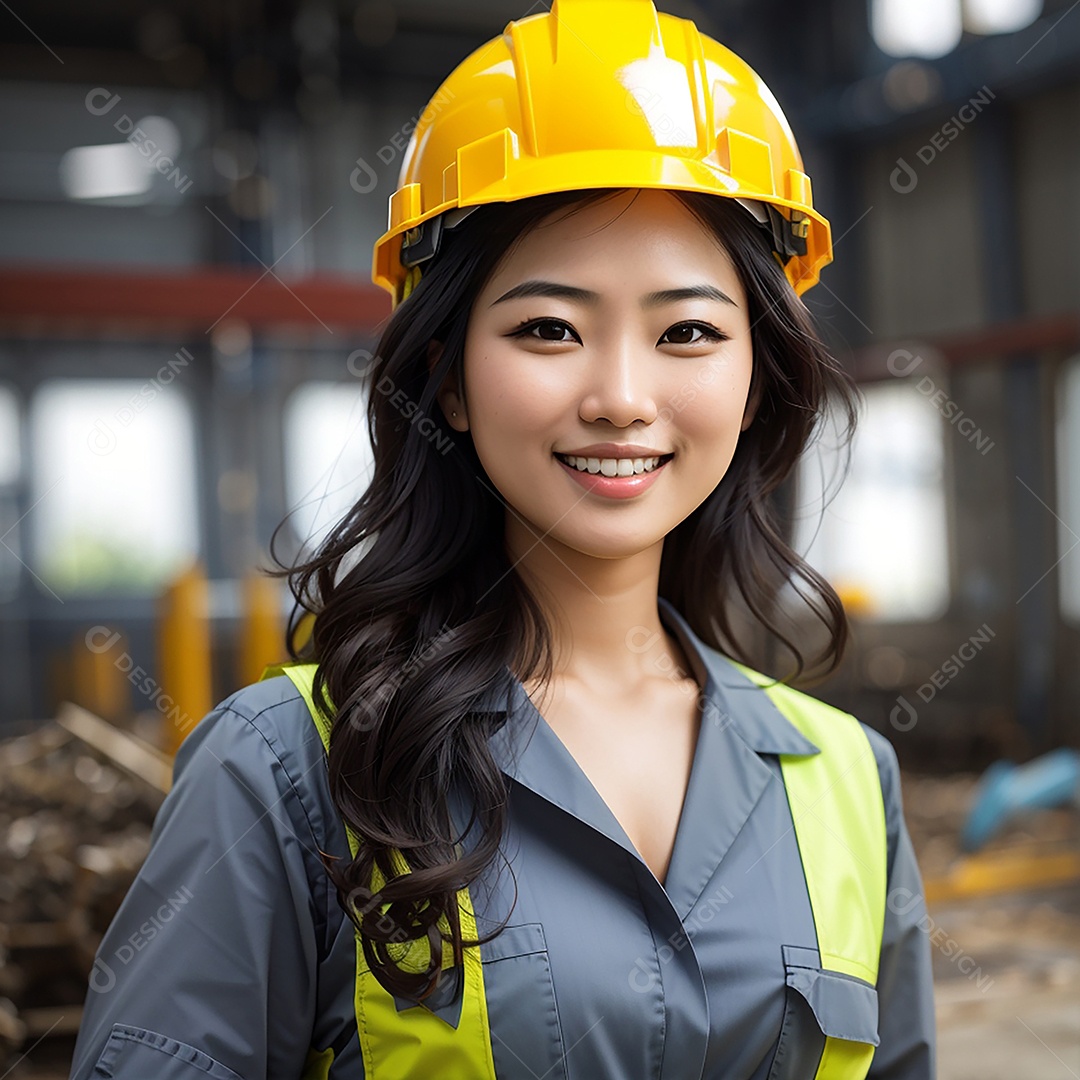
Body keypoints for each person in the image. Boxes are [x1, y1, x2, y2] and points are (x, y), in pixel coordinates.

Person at [68, 1, 936, 1078]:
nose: (621, 397)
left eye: (689, 333)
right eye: (549, 329)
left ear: (756, 379)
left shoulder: (848, 780)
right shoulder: (289, 771)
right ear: (450, 379)